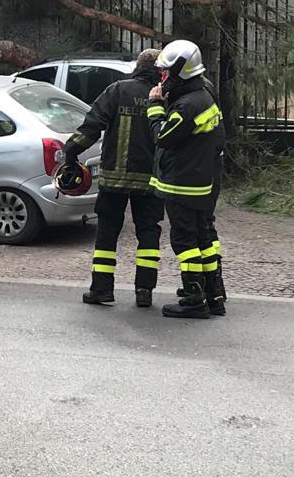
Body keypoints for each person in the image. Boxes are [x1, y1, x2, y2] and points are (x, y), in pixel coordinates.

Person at [64, 49, 164, 308]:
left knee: (107, 234)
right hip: (151, 181)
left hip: (114, 180)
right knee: (149, 234)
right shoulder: (164, 95)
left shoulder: (118, 90)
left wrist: (70, 151)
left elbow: (92, 126)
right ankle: (145, 291)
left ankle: (101, 289)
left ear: (138, 67)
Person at [146, 39, 226, 319]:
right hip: (202, 181)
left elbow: (162, 137)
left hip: (183, 184)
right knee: (204, 236)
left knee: (184, 241)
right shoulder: (204, 92)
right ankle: (213, 293)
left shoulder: (188, 105)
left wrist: (154, 106)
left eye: (166, 72)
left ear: (180, 71)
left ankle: (194, 298)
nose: (162, 77)